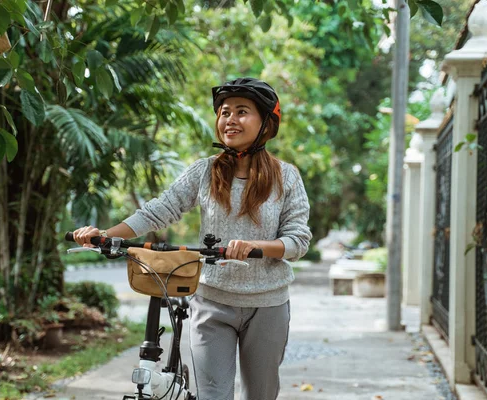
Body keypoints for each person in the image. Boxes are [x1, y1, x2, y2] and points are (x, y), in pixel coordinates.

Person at [72, 77, 312, 400]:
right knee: (214, 396)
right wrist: (105, 235)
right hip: (212, 302)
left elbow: (298, 241)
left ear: (266, 123)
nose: (230, 120)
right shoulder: (205, 172)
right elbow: (159, 210)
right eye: (225, 112)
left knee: (261, 395)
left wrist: (257, 247)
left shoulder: (286, 178)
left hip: (267, 305)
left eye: (242, 112)